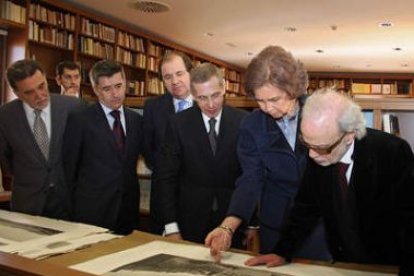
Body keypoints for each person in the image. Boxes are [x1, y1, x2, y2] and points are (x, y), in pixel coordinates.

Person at [245, 88, 414, 275]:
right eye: (306, 144)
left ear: (349, 135)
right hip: (343, 263)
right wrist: (282, 252)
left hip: (386, 265)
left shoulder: (392, 152)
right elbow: (305, 207)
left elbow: (408, 220)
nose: (311, 155)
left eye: (321, 147)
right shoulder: (319, 151)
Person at [206, 45, 330, 260]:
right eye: (260, 100)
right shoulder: (252, 125)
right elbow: (250, 179)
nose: (267, 108)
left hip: (319, 224)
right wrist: (228, 227)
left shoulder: (322, 113)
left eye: (274, 100)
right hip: (276, 226)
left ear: (294, 89)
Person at [156, 62, 248, 245]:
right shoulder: (178, 124)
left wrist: (252, 223)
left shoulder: (243, 121)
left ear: (224, 88)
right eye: (202, 98)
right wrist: (171, 227)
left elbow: (250, 176)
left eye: (215, 95)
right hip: (189, 221)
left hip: (232, 222)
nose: (211, 104)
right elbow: (166, 178)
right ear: (193, 96)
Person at [63, 60, 143, 235]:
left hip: (127, 212)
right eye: (107, 89)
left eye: (119, 86)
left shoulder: (136, 120)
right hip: (91, 213)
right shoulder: (80, 120)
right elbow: (69, 170)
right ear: (96, 90)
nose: (115, 94)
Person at [0, 59, 81, 219]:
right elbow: (6, 161)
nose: (39, 95)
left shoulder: (73, 107)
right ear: (17, 93)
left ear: (46, 78)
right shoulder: (5, 117)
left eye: (42, 86)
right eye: (29, 92)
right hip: (28, 203)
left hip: (69, 201)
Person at [142, 51, 193, 234]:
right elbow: (148, 150)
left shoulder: (206, 104)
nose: (175, 81)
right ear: (162, 81)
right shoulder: (152, 107)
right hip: (163, 198)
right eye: (168, 77)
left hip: (198, 198)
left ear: (190, 74)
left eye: (179, 74)